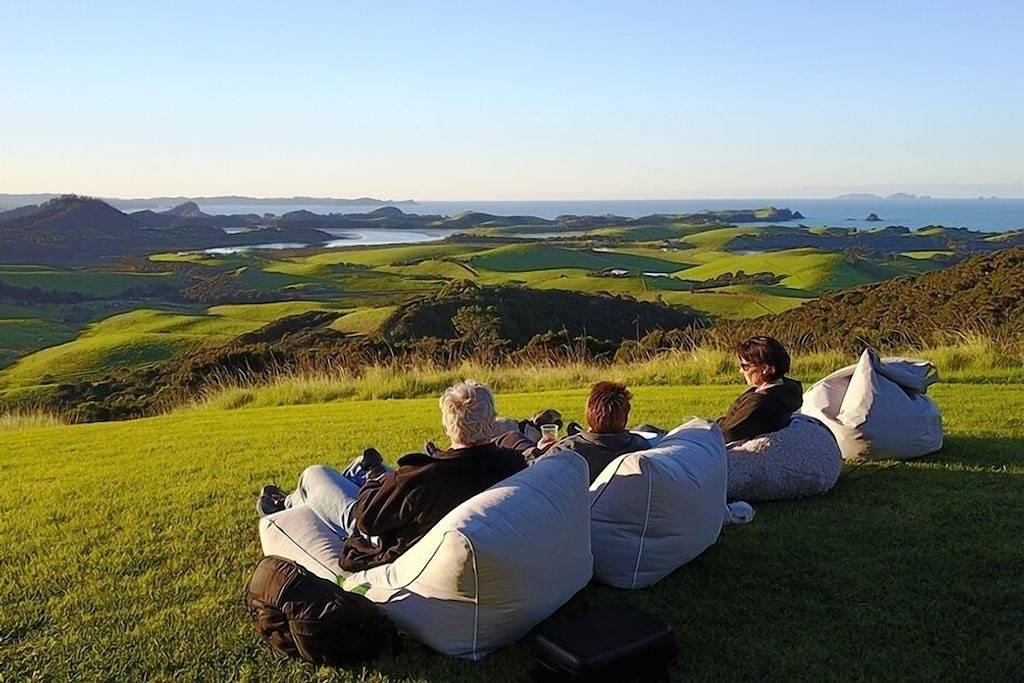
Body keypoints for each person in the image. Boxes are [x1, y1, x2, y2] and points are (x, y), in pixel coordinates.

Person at [258, 379, 526, 572]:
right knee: (359, 468)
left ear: (447, 426)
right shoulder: (512, 464)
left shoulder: (426, 476)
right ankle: (356, 472)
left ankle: (287, 504)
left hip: (383, 531)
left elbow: (367, 520)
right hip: (424, 510)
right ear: (492, 423)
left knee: (314, 475)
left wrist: (375, 481)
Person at [501, 381, 650, 483]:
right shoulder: (641, 446)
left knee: (512, 438)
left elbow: (527, 469)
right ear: (624, 419)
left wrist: (537, 450)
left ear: (589, 414)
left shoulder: (567, 451)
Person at [717, 336, 802, 443]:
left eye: (745, 366)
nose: (741, 371)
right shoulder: (786, 390)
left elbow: (727, 435)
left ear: (765, 368)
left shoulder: (760, 403)